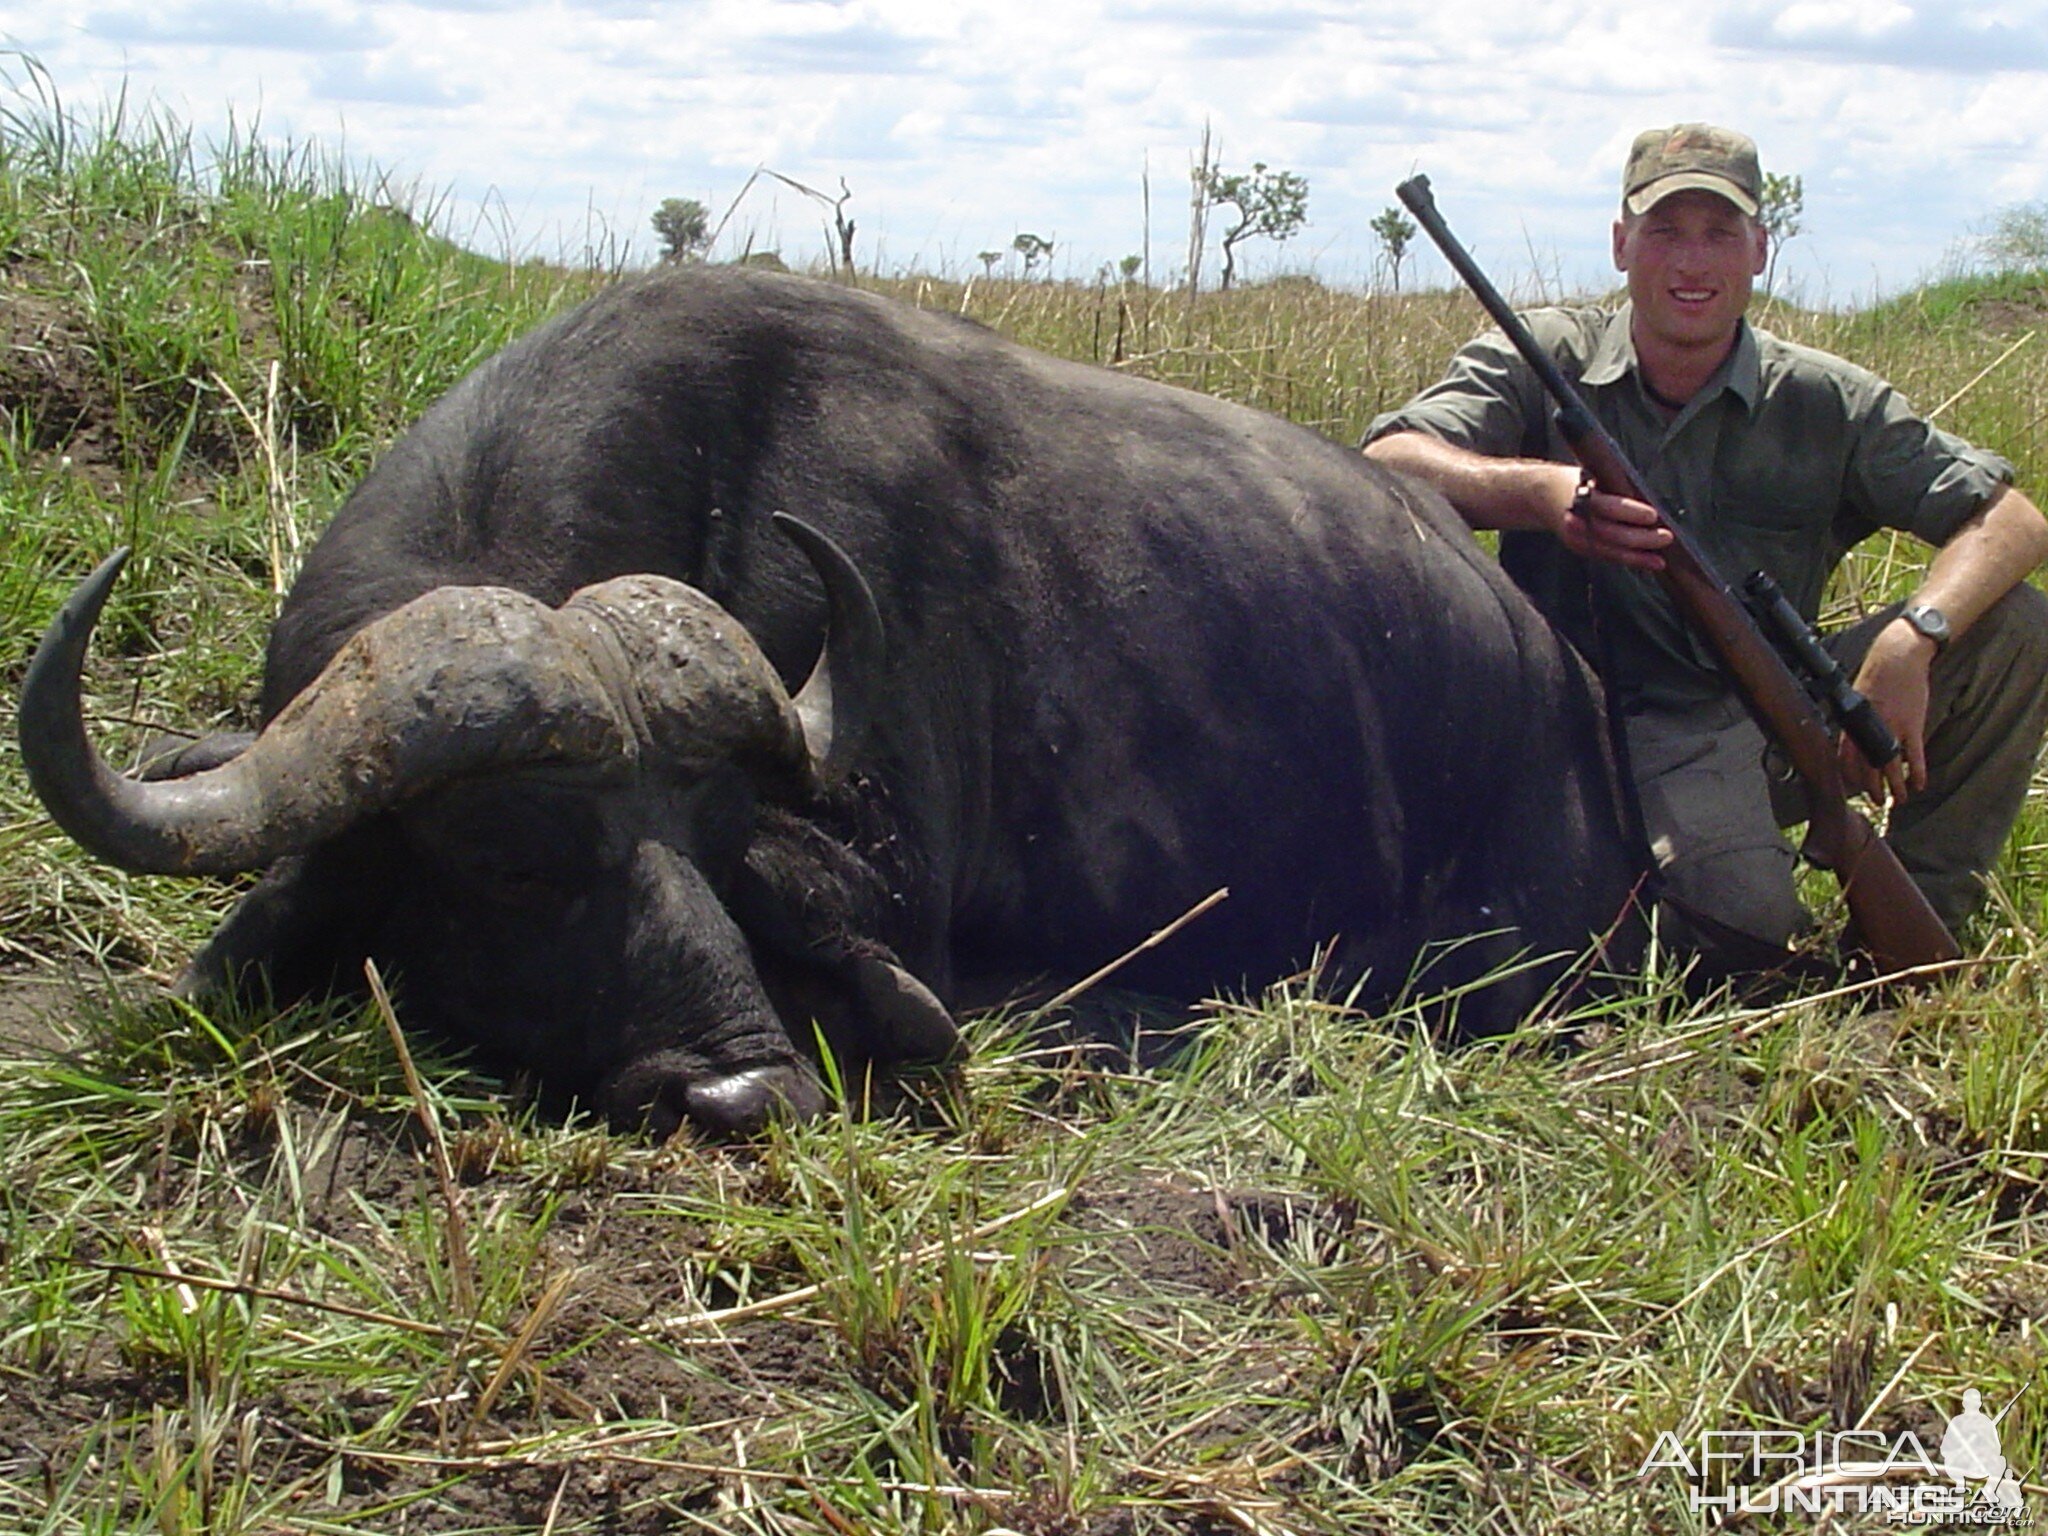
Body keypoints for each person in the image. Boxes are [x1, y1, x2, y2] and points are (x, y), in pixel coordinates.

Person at [1363, 123, 2048, 965]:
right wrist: (1541, 496)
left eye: (1720, 233)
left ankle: (1919, 933)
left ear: (1759, 249)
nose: (1693, 263)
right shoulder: (1543, 355)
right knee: (1745, 946)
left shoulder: (1826, 397)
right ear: (1622, 245)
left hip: (1774, 716)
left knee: (2014, 625)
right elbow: (1388, 461)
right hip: (1581, 729)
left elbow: (2013, 521)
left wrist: (1916, 638)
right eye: (1665, 232)